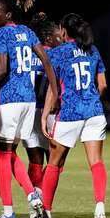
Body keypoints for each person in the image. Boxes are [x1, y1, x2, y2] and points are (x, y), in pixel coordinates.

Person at [0, 0, 58, 218]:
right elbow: (47, 62)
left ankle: (9, 212)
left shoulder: (0, 34)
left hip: (10, 99)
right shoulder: (28, 32)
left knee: (3, 155)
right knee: (10, 152)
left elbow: (1, 70)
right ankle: (32, 195)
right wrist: (56, 92)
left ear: (8, 14)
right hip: (29, 101)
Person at [41, 13, 108, 218]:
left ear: (63, 31)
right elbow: (103, 84)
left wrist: (44, 115)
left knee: (54, 161)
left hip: (70, 113)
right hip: (94, 112)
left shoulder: (58, 53)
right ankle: (99, 206)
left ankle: (47, 209)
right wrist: (92, 100)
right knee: (96, 162)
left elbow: (53, 89)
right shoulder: (93, 50)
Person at [23, 13, 61, 199]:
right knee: (56, 161)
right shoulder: (55, 54)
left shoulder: (27, 52)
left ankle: (35, 200)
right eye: (58, 37)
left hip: (28, 111)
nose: (61, 40)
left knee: (34, 160)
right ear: (48, 38)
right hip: (50, 111)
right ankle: (41, 197)